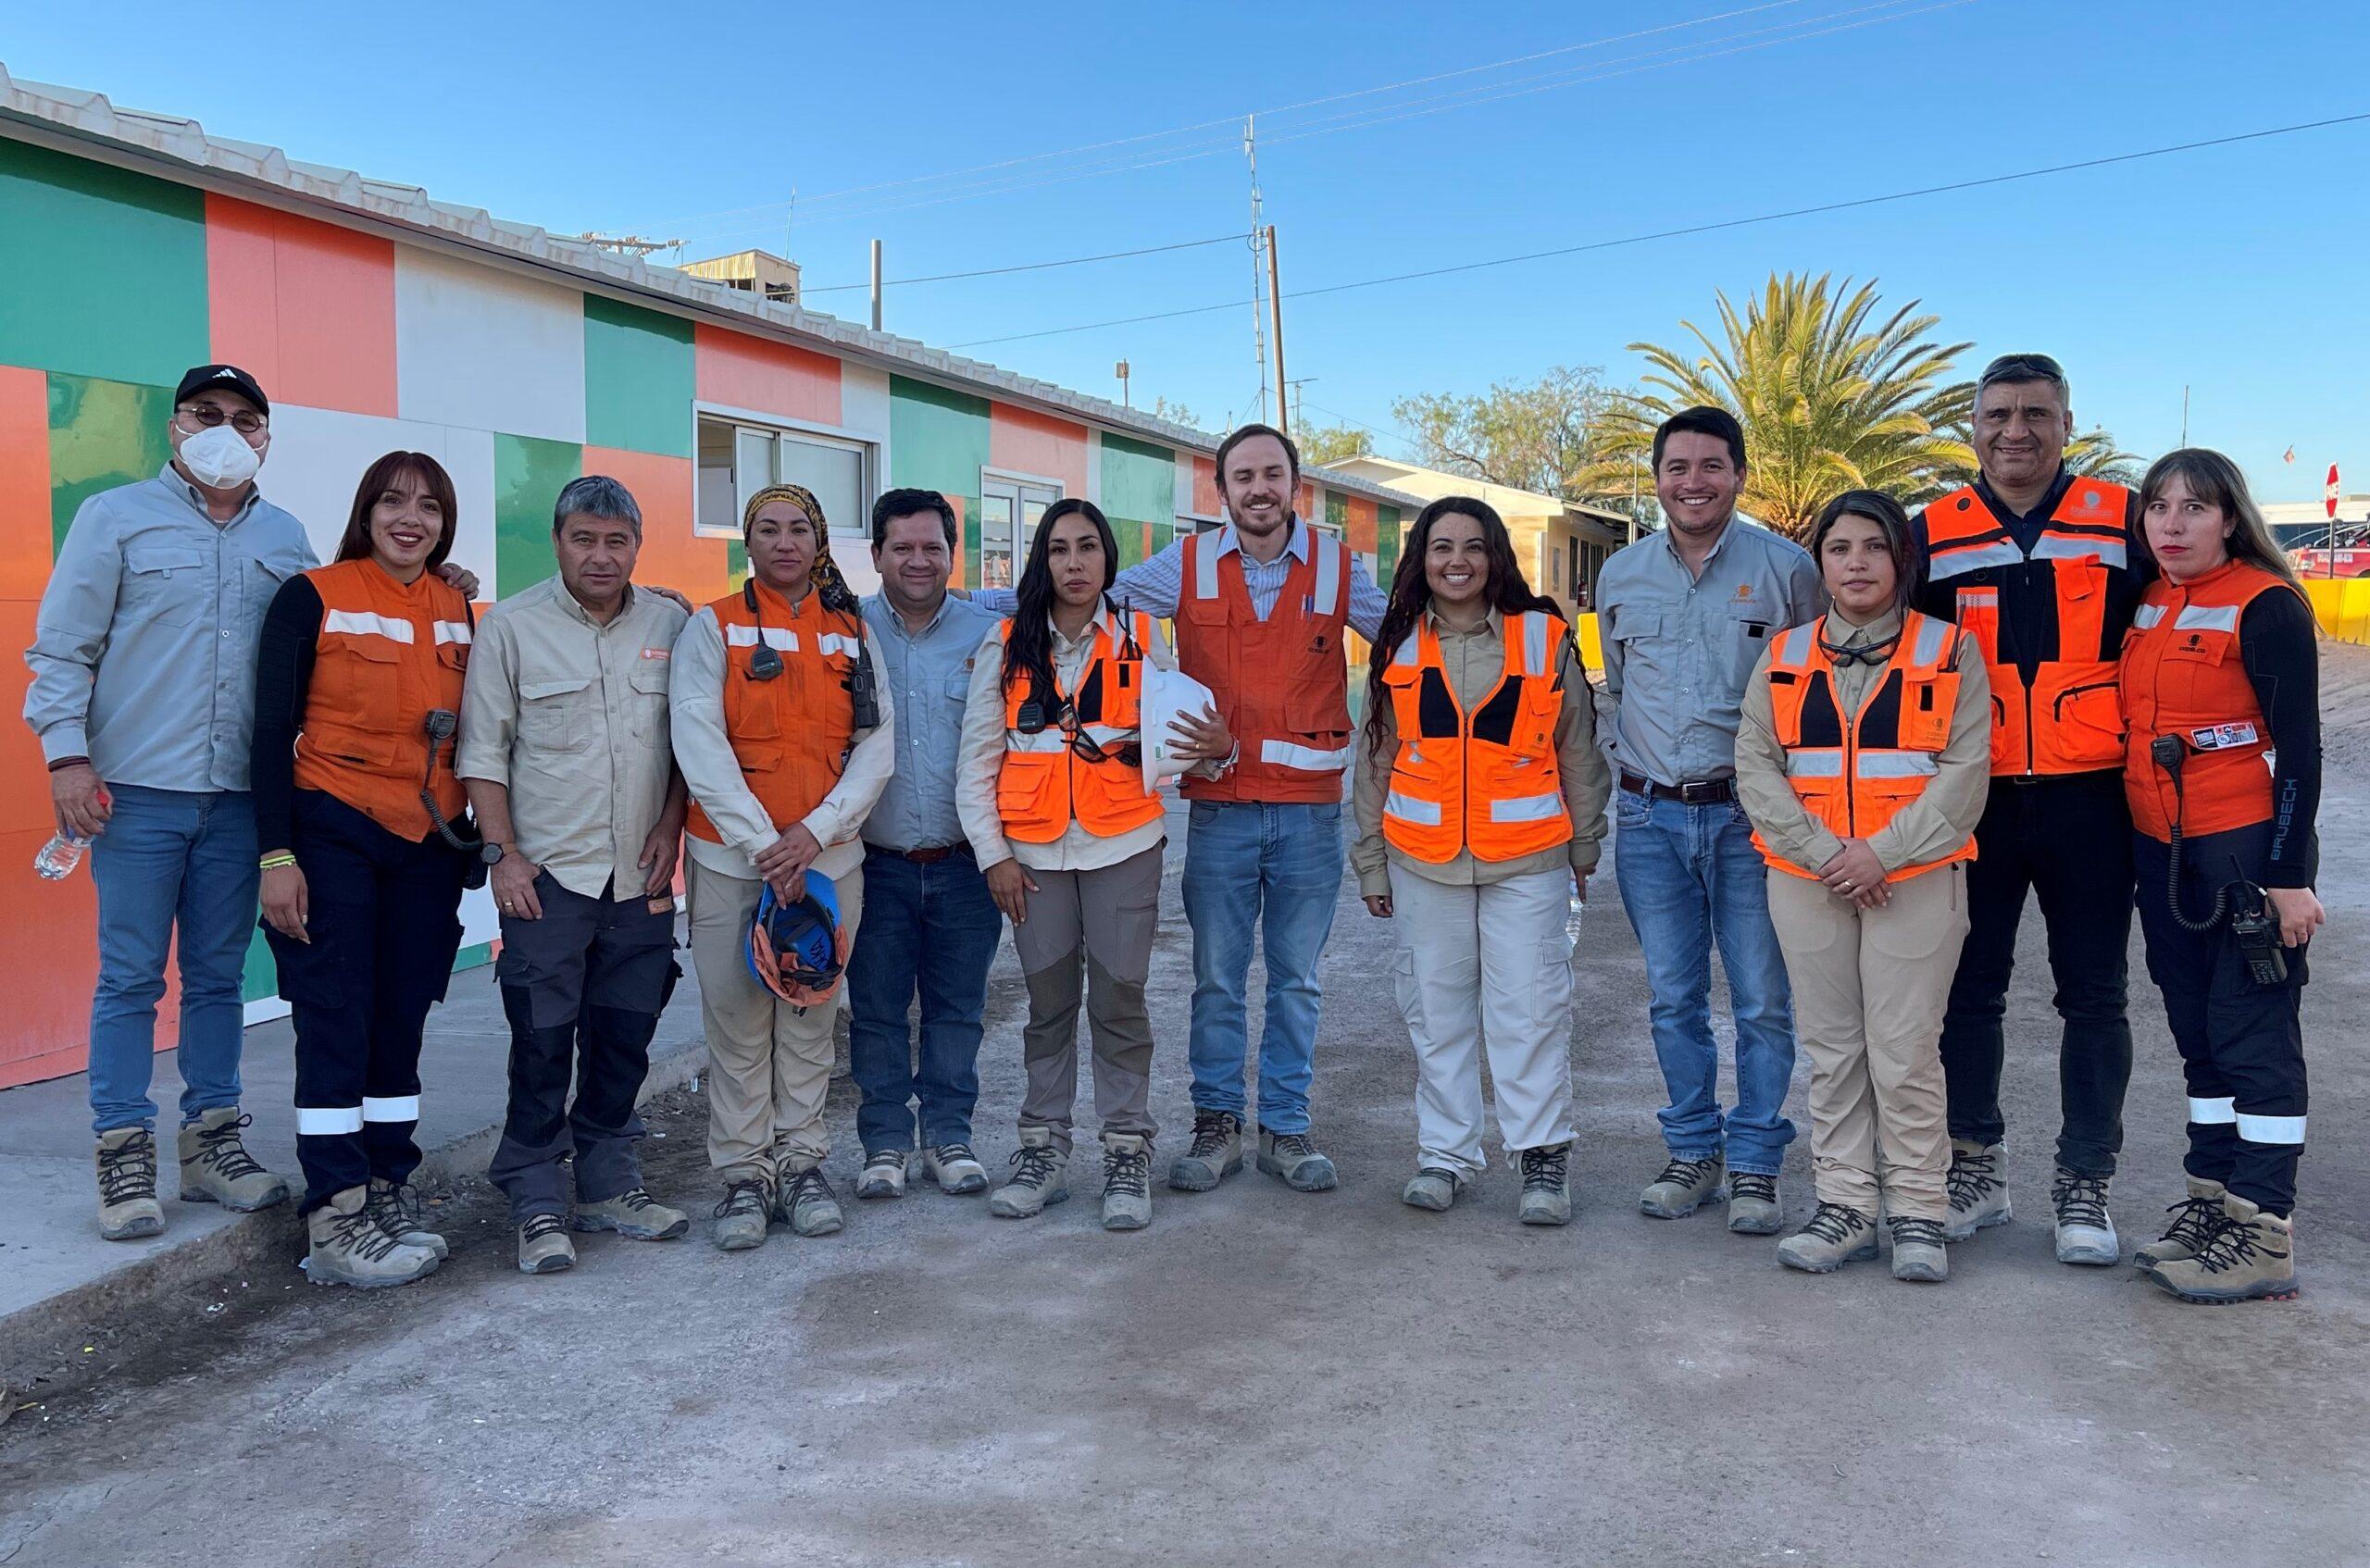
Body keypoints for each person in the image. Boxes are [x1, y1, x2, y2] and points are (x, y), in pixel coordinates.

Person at [975, 424, 1385, 1194]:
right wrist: (958, 599)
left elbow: (1405, 637)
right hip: (1221, 813)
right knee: (1218, 980)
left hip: (1307, 818)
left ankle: (1286, 1132)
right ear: (1221, 491)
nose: (1258, 489)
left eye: (1272, 474)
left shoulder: (1338, 570)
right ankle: (1217, 1127)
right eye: (1242, 477)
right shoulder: (1189, 565)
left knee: (1296, 980)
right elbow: (1085, 592)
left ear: (1294, 483)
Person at [26, 365, 309, 1239]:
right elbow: (63, 648)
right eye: (207, 414)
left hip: (236, 801)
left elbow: (323, 634)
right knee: (130, 979)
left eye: (245, 418)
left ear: (266, 436)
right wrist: (66, 759)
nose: (226, 429)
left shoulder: (287, 535)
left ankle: (212, 1144)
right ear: (176, 426)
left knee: (220, 978)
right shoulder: (113, 518)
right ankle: (122, 1154)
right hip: (135, 797)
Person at [1911, 354, 2142, 1264]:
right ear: (1971, 425)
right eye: (1999, 412)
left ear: (2066, 423)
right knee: (1969, 990)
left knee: (2094, 993)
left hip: (2095, 799)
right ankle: (1976, 1160)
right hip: (1977, 799)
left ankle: (2085, 1178)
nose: (2016, 429)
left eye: (2035, 413)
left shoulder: (2125, 522)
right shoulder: (1928, 533)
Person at [1736, 492, 1991, 1282]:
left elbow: (1964, 771)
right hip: (1807, 880)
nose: (1855, 563)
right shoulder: (1784, 653)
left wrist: (1880, 854)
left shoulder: (1951, 652)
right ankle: (1845, 1206)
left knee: (1906, 1050)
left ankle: (1918, 1213)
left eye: (1873, 548)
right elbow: (1756, 763)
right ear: (1821, 562)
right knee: (1834, 1049)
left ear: (1901, 560)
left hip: (1913, 878)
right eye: (1839, 548)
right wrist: (1825, 855)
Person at [251, 452, 481, 1288]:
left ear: (445, 523)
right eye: (392, 502)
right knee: (336, 1016)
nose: (409, 518)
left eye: (427, 506)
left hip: (424, 844)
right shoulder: (311, 597)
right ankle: (335, 1217)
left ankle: (388, 1184)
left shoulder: (461, 607)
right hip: (331, 831)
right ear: (366, 510)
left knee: (400, 1018)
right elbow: (268, 734)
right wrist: (275, 857)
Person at [956, 499, 1218, 1231]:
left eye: (1088, 549)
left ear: (1108, 559)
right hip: (1032, 857)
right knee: (1048, 1008)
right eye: (1060, 550)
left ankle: (1127, 1150)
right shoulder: (1005, 644)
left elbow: (1187, 731)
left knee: (1119, 1003)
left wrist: (1214, 745)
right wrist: (993, 857)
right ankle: (1041, 1150)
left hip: (1124, 847)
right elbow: (977, 762)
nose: (1075, 564)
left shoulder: (1143, 637)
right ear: (1042, 561)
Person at [1595, 405, 1823, 1233]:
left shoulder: (1789, 569)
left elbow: (1813, 694)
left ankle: (1757, 1161)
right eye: (1677, 467)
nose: (1693, 482)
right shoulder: (1620, 576)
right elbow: (1618, 688)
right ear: (1656, 478)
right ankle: (1693, 1151)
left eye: (1711, 466)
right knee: (1672, 1000)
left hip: (1752, 823)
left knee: (1763, 1000)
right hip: (1651, 820)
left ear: (1739, 474)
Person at [459, 476, 693, 1275]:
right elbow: (482, 754)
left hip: (642, 877)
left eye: (617, 540)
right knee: (541, 1039)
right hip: (548, 878)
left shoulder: (672, 622)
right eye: (585, 539)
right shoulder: (512, 628)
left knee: (627, 1036)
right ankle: (534, 1194)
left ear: (637, 546)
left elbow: (685, 746)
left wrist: (671, 827)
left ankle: (607, 1178)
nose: (601, 555)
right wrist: (503, 857)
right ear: (558, 542)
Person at [1353, 497, 1608, 1225]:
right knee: (1435, 1014)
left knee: (1529, 1011)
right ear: (1420, 560)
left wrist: (1584, 845)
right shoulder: (1397, 644)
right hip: (1422, 860)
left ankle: (1543, 1160)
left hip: (1528, 862)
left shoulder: (1545, 638)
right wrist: (1370, 862)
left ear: (1497, 555)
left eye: (1472, 546)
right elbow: (1374, 760)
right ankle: (1445, 1156)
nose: (1456, 561)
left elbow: (1579, 753)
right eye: (1441, 548)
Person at [670, 483, 894, 1251]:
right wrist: (767, 845)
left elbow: (876, 747)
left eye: (799, 528)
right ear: (748, 541)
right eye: (767, 529)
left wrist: (815, 834)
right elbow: (698, 744)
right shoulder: (715, 628)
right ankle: (743, 1175)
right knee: (736, 1024)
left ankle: (801, 1165)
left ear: (820, 538)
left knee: (808, 1017)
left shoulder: (852, 630)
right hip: (733, 863)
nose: (785, 542)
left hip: (828, 867)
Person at [2120, 450, 2320, 1304]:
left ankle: (2264, 1228)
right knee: (2198, 1035)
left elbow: (2301, 752)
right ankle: (2212, 1206)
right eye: (2158, 508)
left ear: (2230, 518)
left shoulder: (2266, 604)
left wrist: (2287, 876)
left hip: (2241, 848)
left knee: (2253, 1036)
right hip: (2161, 851)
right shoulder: (2151, 599)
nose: (2171, 525)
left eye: (2193, 509)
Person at [845, 489, 1004, 1202]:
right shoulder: (844, 631)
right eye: (901, 547)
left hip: (966, 864)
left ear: (951, 554)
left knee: (956, 1010)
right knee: (876, 1010)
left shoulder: (989, 632)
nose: (918, 560)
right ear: (875, 553)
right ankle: (882, 1143)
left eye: (931, 547)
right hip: (871, 866)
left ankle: (949, 1135)